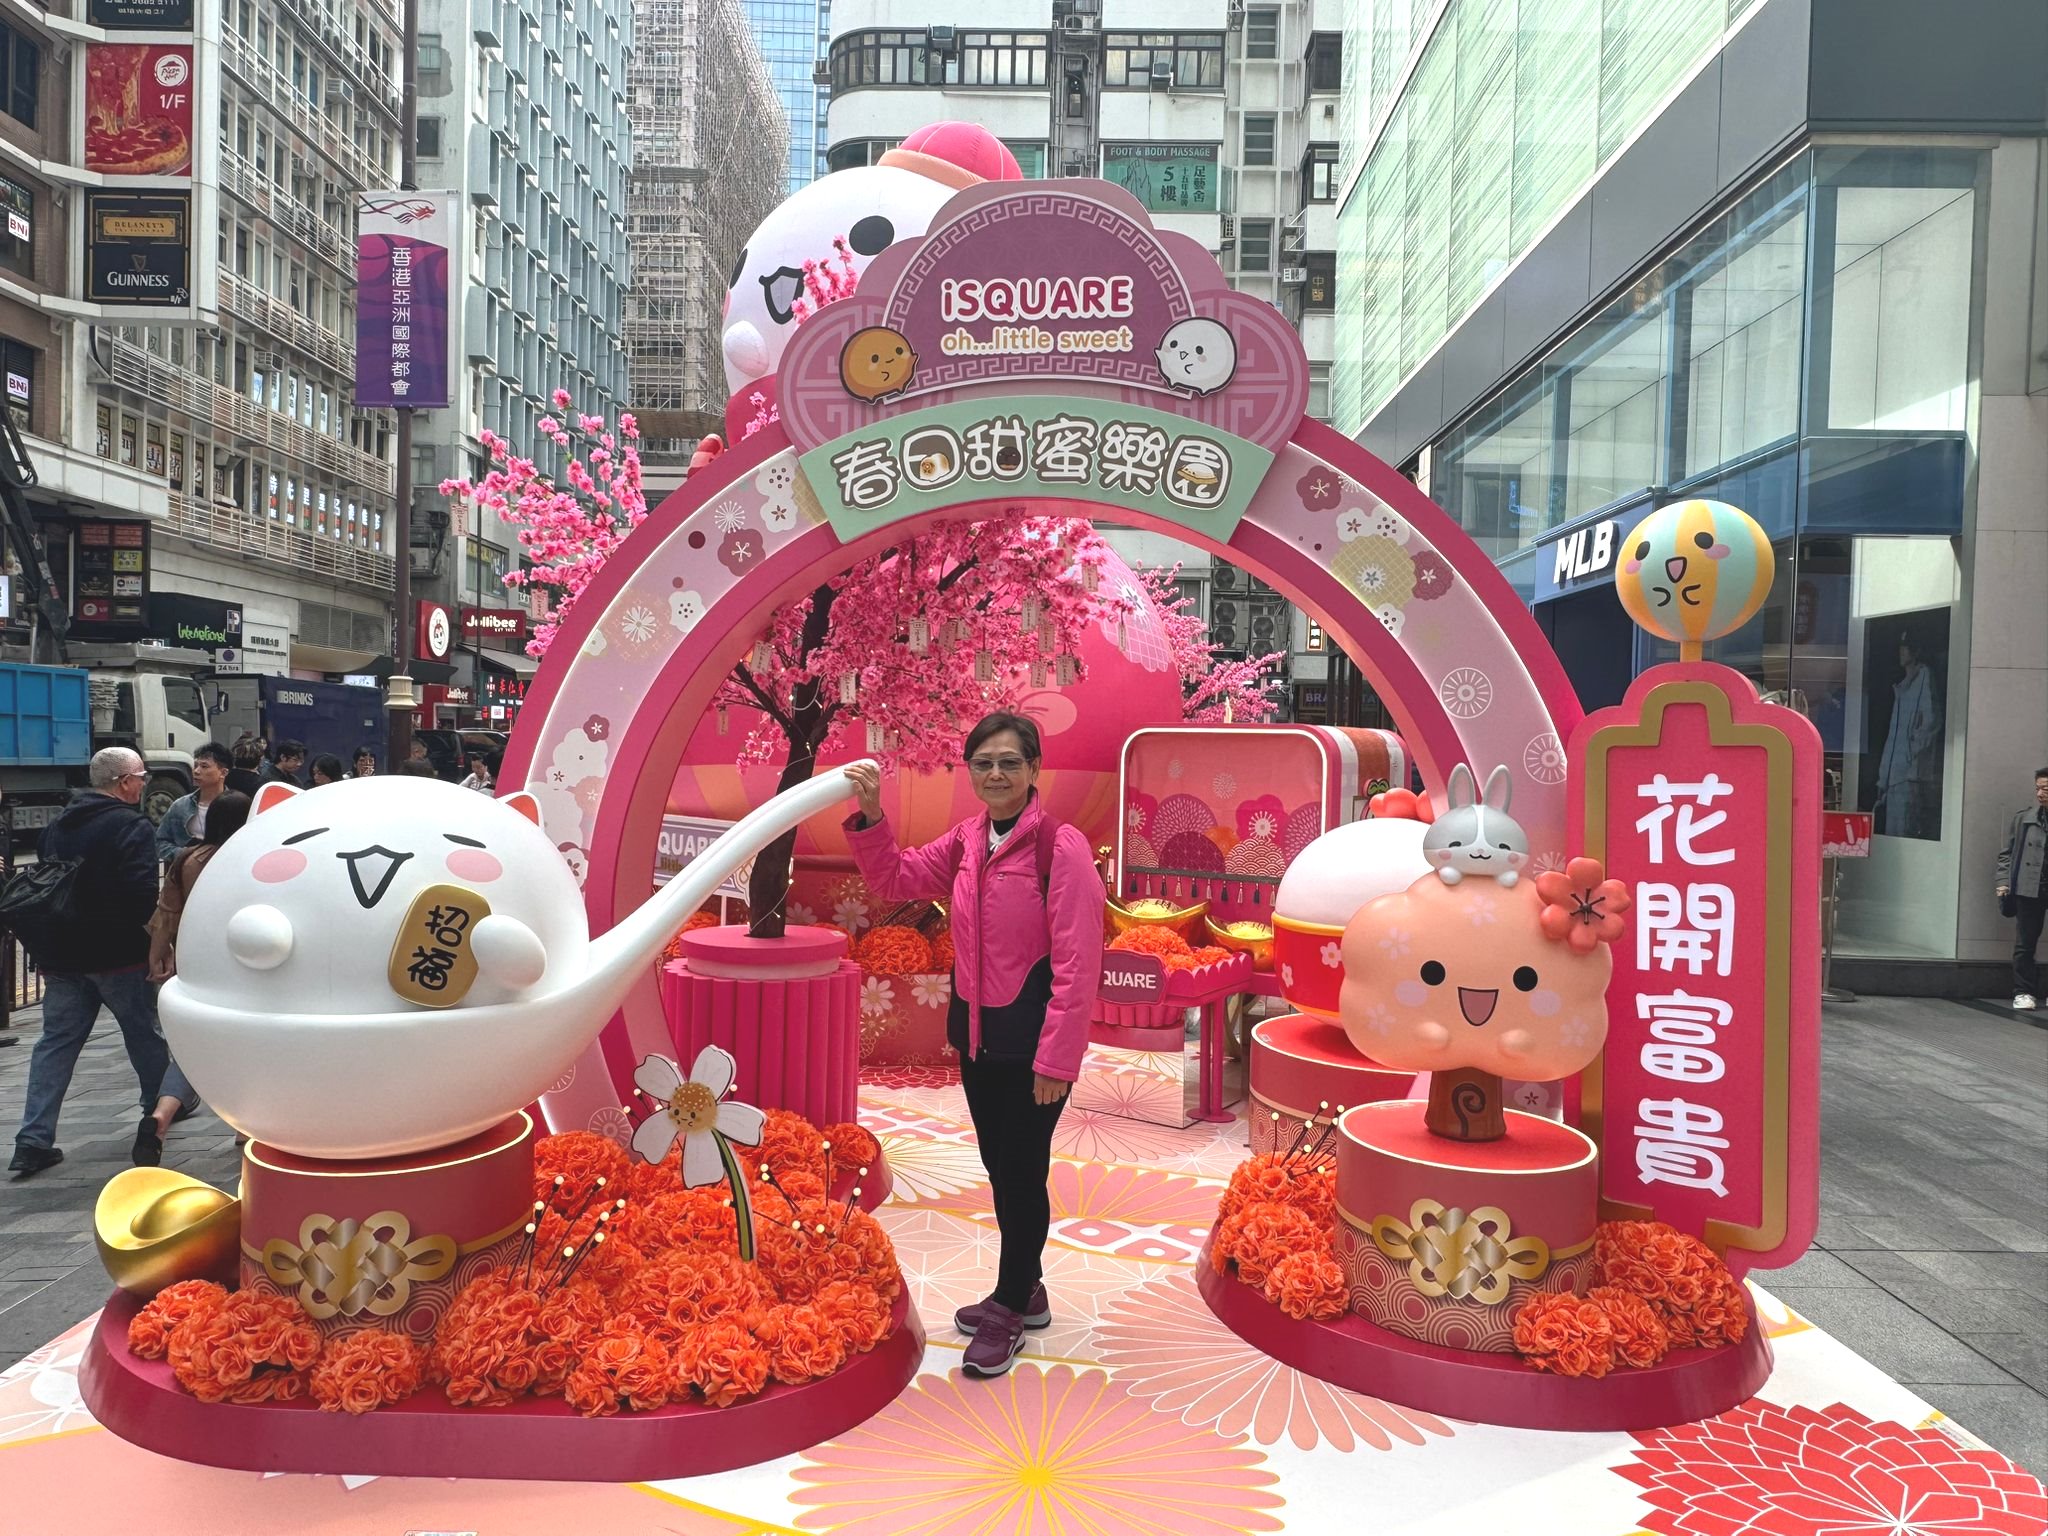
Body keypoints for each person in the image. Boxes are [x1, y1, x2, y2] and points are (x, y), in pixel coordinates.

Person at [844, 712, 1103, 1377]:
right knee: (999, 1166)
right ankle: (1027, 1289)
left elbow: (1079, 963)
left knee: (1021, 1172)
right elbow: (894, 879)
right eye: (983, 763)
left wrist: (1057, 1059)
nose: (995, 774)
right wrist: (871, 816)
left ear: (1034, 768)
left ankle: (1011, 1304)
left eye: (1009, 762)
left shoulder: (1059, 847)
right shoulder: (966, 842)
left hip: (1033, 1045)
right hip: (978, 1039)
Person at [10, 748, 196, 1177]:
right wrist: (159, 945)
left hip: (61, 952)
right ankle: (157, 1109)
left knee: (55, 1044)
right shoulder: (130, 826)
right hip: (118, 954)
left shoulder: (58, 825)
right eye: (141, 777)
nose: (144, 783)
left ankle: (33, 1139)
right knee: (143, 1034)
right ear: (125, 782)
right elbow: (140, 896)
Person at [140, 791, 251, 1156]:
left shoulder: (187, 858)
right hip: (244, 964)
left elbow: (166, 913)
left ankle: (162, 1114)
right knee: (247, 1043)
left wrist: (158, 956)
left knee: (195, 1047)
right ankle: (244, 1128)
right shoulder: (250, 856)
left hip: (197, 962)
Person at [1875, 635, 1941, 839]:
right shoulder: (1902, 688)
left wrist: (1911, 754)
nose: (1901, 652)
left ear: (1916, 651)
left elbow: (1931, 721)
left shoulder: (1923, 677)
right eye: (1901, 647)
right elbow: (1893, 738)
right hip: (1895, 777)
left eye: (1906, 647)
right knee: (1893, 832)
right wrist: (1883, 779)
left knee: (1903, 832)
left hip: (1909, 776)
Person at [1995, 767, 2048, 1011]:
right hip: (2029, 887)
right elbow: (2006, 854)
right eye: (2037, 788)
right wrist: (2003, 882)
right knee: (2025, 943)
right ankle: (2023, 991)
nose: (2040, 793)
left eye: (2045, 788)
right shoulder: (2024, 819)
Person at [155, 742, 231, 863]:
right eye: (195, 766)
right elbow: (160, 841)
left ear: (223, 772)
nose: (196, 771)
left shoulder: (235, 806)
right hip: (187, 869)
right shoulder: (181, 806)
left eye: (204, 766)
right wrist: (184, 854)